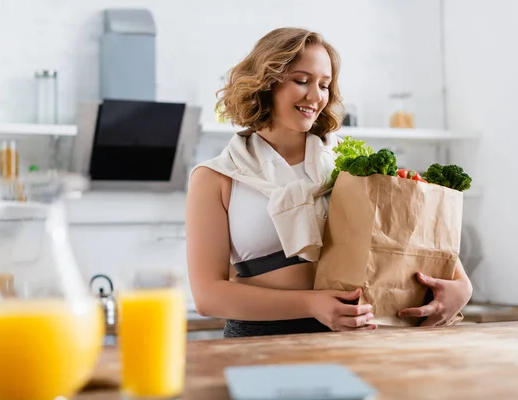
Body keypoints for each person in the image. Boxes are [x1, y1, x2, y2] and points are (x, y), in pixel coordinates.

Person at [185, 27, 473, 338]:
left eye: (324, 85)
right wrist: (311, 304)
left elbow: (420, 246)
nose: (316, 96)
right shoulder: (216, 177)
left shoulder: (351, 166)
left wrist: (462, 289)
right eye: (301, 80)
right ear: (265, 82)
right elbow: (208, 296)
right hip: (259, 340)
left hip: (355, 336)